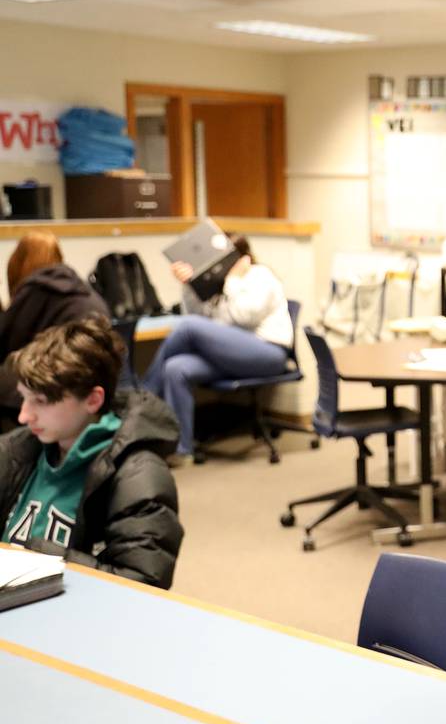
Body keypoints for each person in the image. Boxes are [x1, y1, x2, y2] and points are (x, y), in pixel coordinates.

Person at [0, 317, 183, 588]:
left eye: (40, 401)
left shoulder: (139, 474)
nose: (24, 416)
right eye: (24, 398)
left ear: (93, 400)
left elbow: (142, 585)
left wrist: (48, 559)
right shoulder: (18, 448)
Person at [144, 235, 290, 463]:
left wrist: (233, 281)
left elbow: (244, 316)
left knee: (187, 327)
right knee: (175, 368)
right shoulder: (218, 285)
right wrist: (190, 286)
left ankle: (143, 397)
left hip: (268, 353)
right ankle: (181, 450)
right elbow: (197, 316)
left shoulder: (260, 276)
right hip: (231, 356)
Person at [0, 231, 111, 411]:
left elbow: (7, 344)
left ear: (18, 263)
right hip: (89, 386)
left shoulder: (35, 292)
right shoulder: (82, 289)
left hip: (55, 385)